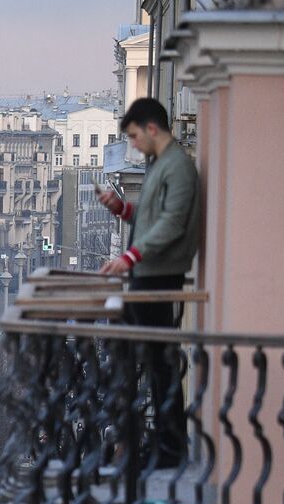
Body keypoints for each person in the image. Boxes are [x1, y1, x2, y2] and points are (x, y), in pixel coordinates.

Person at [98, 97, 201, 467]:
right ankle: (158, 443)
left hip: (159, 274)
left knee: (154, 363)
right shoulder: (163, 165)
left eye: (135, 136)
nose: (134, 145)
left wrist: (129, 258)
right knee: (148, 360)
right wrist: (122, 209)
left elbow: (171, 224)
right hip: (149, 274)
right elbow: (152, 215)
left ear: (152, 128)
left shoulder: (178, 168)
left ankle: (168, 447)